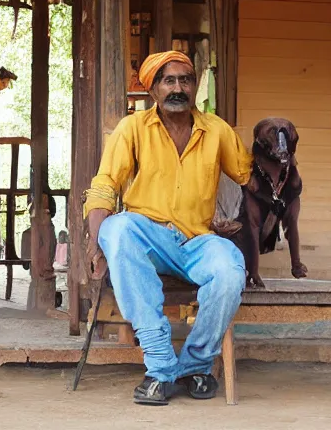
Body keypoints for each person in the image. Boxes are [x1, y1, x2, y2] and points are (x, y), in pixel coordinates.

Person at [84, 51, 252, 406]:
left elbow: (249, 175)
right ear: (154, 89)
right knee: (117, 229)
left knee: (230, 269)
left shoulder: (217, 129)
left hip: (198, 240)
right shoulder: (133, 128)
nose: (178, 88)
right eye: (168, 81)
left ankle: (195, 365)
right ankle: (159, 364)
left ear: (194, 87)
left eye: (185, 80)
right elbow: (104, 186)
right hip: (150, 236)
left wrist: (280, 149)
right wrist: (96, 242)